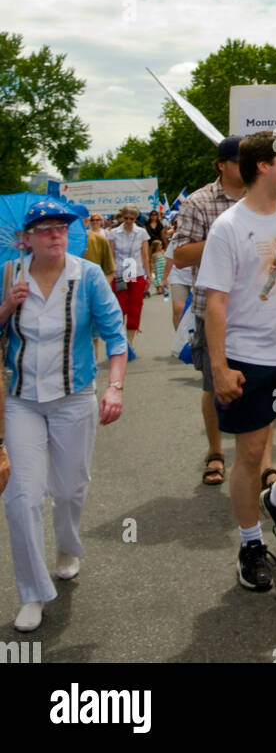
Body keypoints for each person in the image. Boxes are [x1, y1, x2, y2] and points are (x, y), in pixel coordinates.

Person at [0, 199, 127, 633]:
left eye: (61, 228)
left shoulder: (88, 276)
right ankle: (32, 592)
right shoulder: (9, 276)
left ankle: (68, 548)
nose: (55, 234)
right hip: (21, 402)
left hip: (75, 397)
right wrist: (6, 308)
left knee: (70, 490)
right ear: (27, 238)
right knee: (23, 498)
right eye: (45, 228)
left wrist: (115, 386)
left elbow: (116, 337)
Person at [199, 130, 276, 591]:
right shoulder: (228, 227)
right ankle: (250, 544)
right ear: (264, 166)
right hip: (250, 358)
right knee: (249, 454)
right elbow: (215, 304)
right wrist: (221, 368)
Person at [171, 137, 245, 486]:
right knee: (215, 383)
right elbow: (181, 255)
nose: (246, 166)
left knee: (260, 384)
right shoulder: (199, 202)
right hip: (211, 309)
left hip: (258, 311)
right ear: (221, 165)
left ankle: (257, 464)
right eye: (237, 161)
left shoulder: (263, 197)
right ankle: (216, 453)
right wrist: (225, 238)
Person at [105, 206, 150, 354]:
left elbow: (145, 255)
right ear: (122, 218)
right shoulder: (113, 233)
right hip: (119, 273)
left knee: (135, 307)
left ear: (136, 219)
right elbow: (110, 255)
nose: (129, 221)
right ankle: (119, 340)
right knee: (119, 308)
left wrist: (148, 274)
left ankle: (129, 343)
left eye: (132, 219)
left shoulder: (141, 232)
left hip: (136, 273)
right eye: (126, 218)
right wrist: (109, 275)